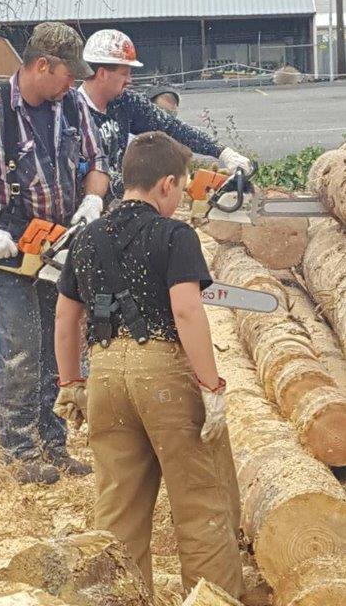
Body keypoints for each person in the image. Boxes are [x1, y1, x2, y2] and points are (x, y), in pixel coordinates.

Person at [53, 132, 243, 599]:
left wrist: (71, 382)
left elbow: (65, 315)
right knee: (201, 503)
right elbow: (186, 310)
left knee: (117, 510)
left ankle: (118, 596)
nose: (181, 197)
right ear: (165, 184)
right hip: (163, 378)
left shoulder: (89, 237)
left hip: (105, 378)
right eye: (181, 187)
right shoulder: (175, 236)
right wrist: (210, 384)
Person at [0, 22, 109, 485]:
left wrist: (92, 200)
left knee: (59, 348)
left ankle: (54, 444)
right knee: (18, 352)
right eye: (68, 73)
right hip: (9, 250)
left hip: (59, 247)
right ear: (42, 66)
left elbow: (98, 163)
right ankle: (19, 452)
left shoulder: (70, 105)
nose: (74, 82)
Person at [78, 28, 252, 200]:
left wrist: (222, 152)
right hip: (86, 209)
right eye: (124, 74)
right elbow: (90, 175)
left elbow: (170, 127)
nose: (129, 80)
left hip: (121, 202)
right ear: (102, 73)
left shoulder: (124, 102)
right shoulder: (74, 114)